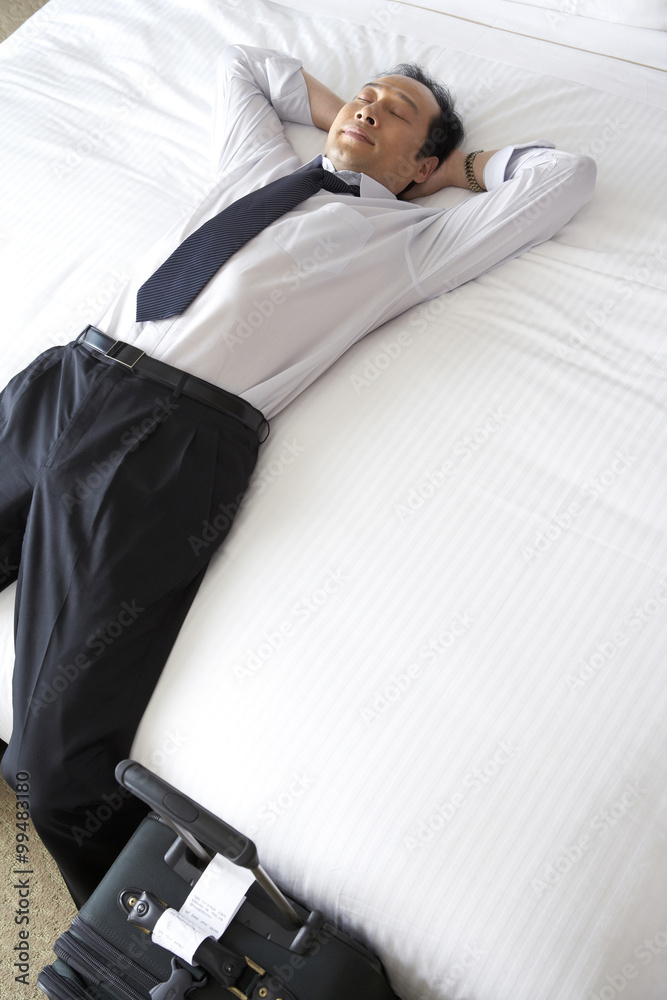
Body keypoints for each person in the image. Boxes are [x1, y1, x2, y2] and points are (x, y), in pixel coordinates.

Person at [0, 44, 596, 907]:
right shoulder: (259, 164)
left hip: (164, 439)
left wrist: (456, 172)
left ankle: (149, 937)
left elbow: (564, 177)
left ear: (420, 163)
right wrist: (343, 121)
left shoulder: (412, 238)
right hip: (68, 377)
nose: (369, 107)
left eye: (398, 113)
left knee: (55, 764)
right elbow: (242, 64)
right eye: (366, 95)